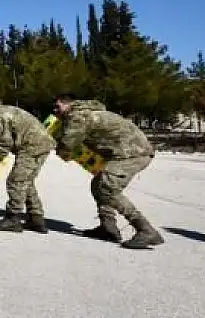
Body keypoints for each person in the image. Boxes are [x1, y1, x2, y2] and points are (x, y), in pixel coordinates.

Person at [53, 94, 164, 249]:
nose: (55, 110)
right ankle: (108, 227)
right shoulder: (85, 112)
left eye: (58, 106)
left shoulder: (78, 116)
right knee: (98, 184)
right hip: (127, 151)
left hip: (131, 153)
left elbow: (67, 144)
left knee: (107, 189)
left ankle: (145, 230)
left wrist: (55, 144)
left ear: (68, 104)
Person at [0, 94, 54, 233]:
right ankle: (36, 218)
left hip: (31, 145)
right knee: (26, 181)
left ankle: (13, 219)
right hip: (42, 143)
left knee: (15, 181)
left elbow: (5, 143)